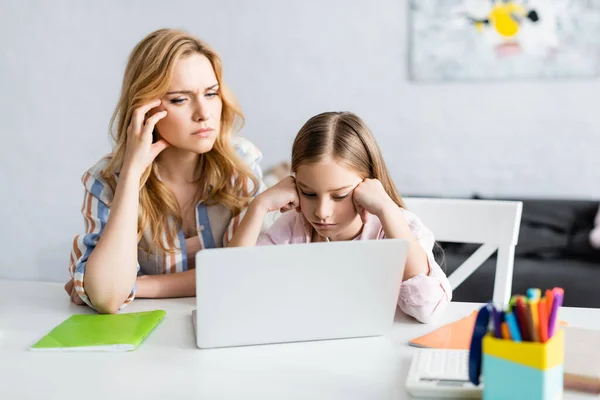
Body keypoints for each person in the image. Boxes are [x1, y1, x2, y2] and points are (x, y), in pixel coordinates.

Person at [64, 29, 269, 314]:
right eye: (179, 100)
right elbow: (108, 299)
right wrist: (133, 174)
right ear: (144, 108)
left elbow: (246, 272)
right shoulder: (106, 181)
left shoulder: (241, 164)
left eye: (211, 94)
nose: (203, 113)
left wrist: (138, 286)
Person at [228, 111, 452, 323]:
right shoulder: (292, 228)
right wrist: (259, 206)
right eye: (308, 193)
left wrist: (387, 210)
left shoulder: (398, 226)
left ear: (369, 185)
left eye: (340, 195)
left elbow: (427, 308)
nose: (322, 212)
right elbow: (232, 290)